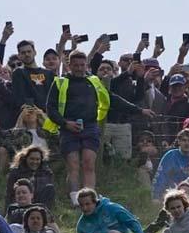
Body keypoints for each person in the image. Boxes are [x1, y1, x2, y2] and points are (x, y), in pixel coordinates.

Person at [45, 50, 154, 206]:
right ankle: (75, 198)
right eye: (75, 65)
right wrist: (65, 123)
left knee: (89, 163)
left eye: (82, 65)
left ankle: (90, 198)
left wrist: (139, 110)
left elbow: (112, 99)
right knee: (73, 164)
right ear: (69, 65)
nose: (79, 68)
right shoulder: (60, 82)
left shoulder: (94, 82)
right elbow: (51, 108)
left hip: (90, 126)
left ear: (86, 65)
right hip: (68, 128)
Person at [151, 128, 189, 201]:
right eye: (184, 140)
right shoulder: (170, 156)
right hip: (171, 195)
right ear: (179, 141)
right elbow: (160, 177)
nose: (187, 143)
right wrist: (155, 197)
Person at [5, 145, 55, 210]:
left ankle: (45, 215)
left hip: (39, 205)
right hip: (21, 203)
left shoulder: (46, 173)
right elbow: (9, 194)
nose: (34, 162)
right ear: (26, 158)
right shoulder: (16, 172)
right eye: (32, 159)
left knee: (50, 187)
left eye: (37, 159)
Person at [11, 39, 55, 111]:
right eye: (23, 53)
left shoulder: (49, 74)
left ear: (35, 52)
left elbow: (53, 97)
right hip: (30, 116)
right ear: (19, 56)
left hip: (48, 116)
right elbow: (20, 98)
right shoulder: (18, 73)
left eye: (29, 51)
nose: (27, 54)